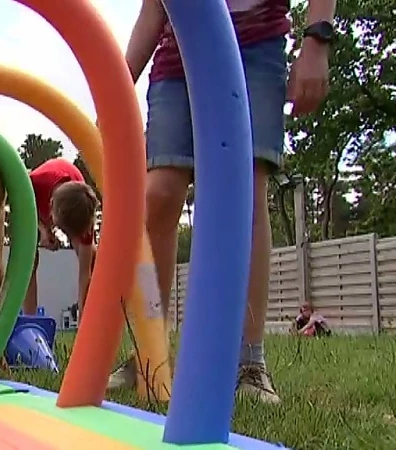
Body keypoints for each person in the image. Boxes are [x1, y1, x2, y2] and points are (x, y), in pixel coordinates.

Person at [107, 0, 335, 403]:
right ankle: (148, 349)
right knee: (156, 197)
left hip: (254, 44)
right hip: (178, 57)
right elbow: (152, 9)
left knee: (244, 191)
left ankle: (248, 363)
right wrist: (119, 84)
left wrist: (317, 39)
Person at [24, 158, 99, 319]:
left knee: (91, 259)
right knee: (29, 258)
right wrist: (43, 230)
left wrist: (82, 321)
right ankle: (29, 317)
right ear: (50, 205)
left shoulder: (84, 216)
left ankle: (93, 314)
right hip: (36, 199)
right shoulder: (34, 182)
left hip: (72, 198)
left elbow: (84, 275)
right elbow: (22, 206)